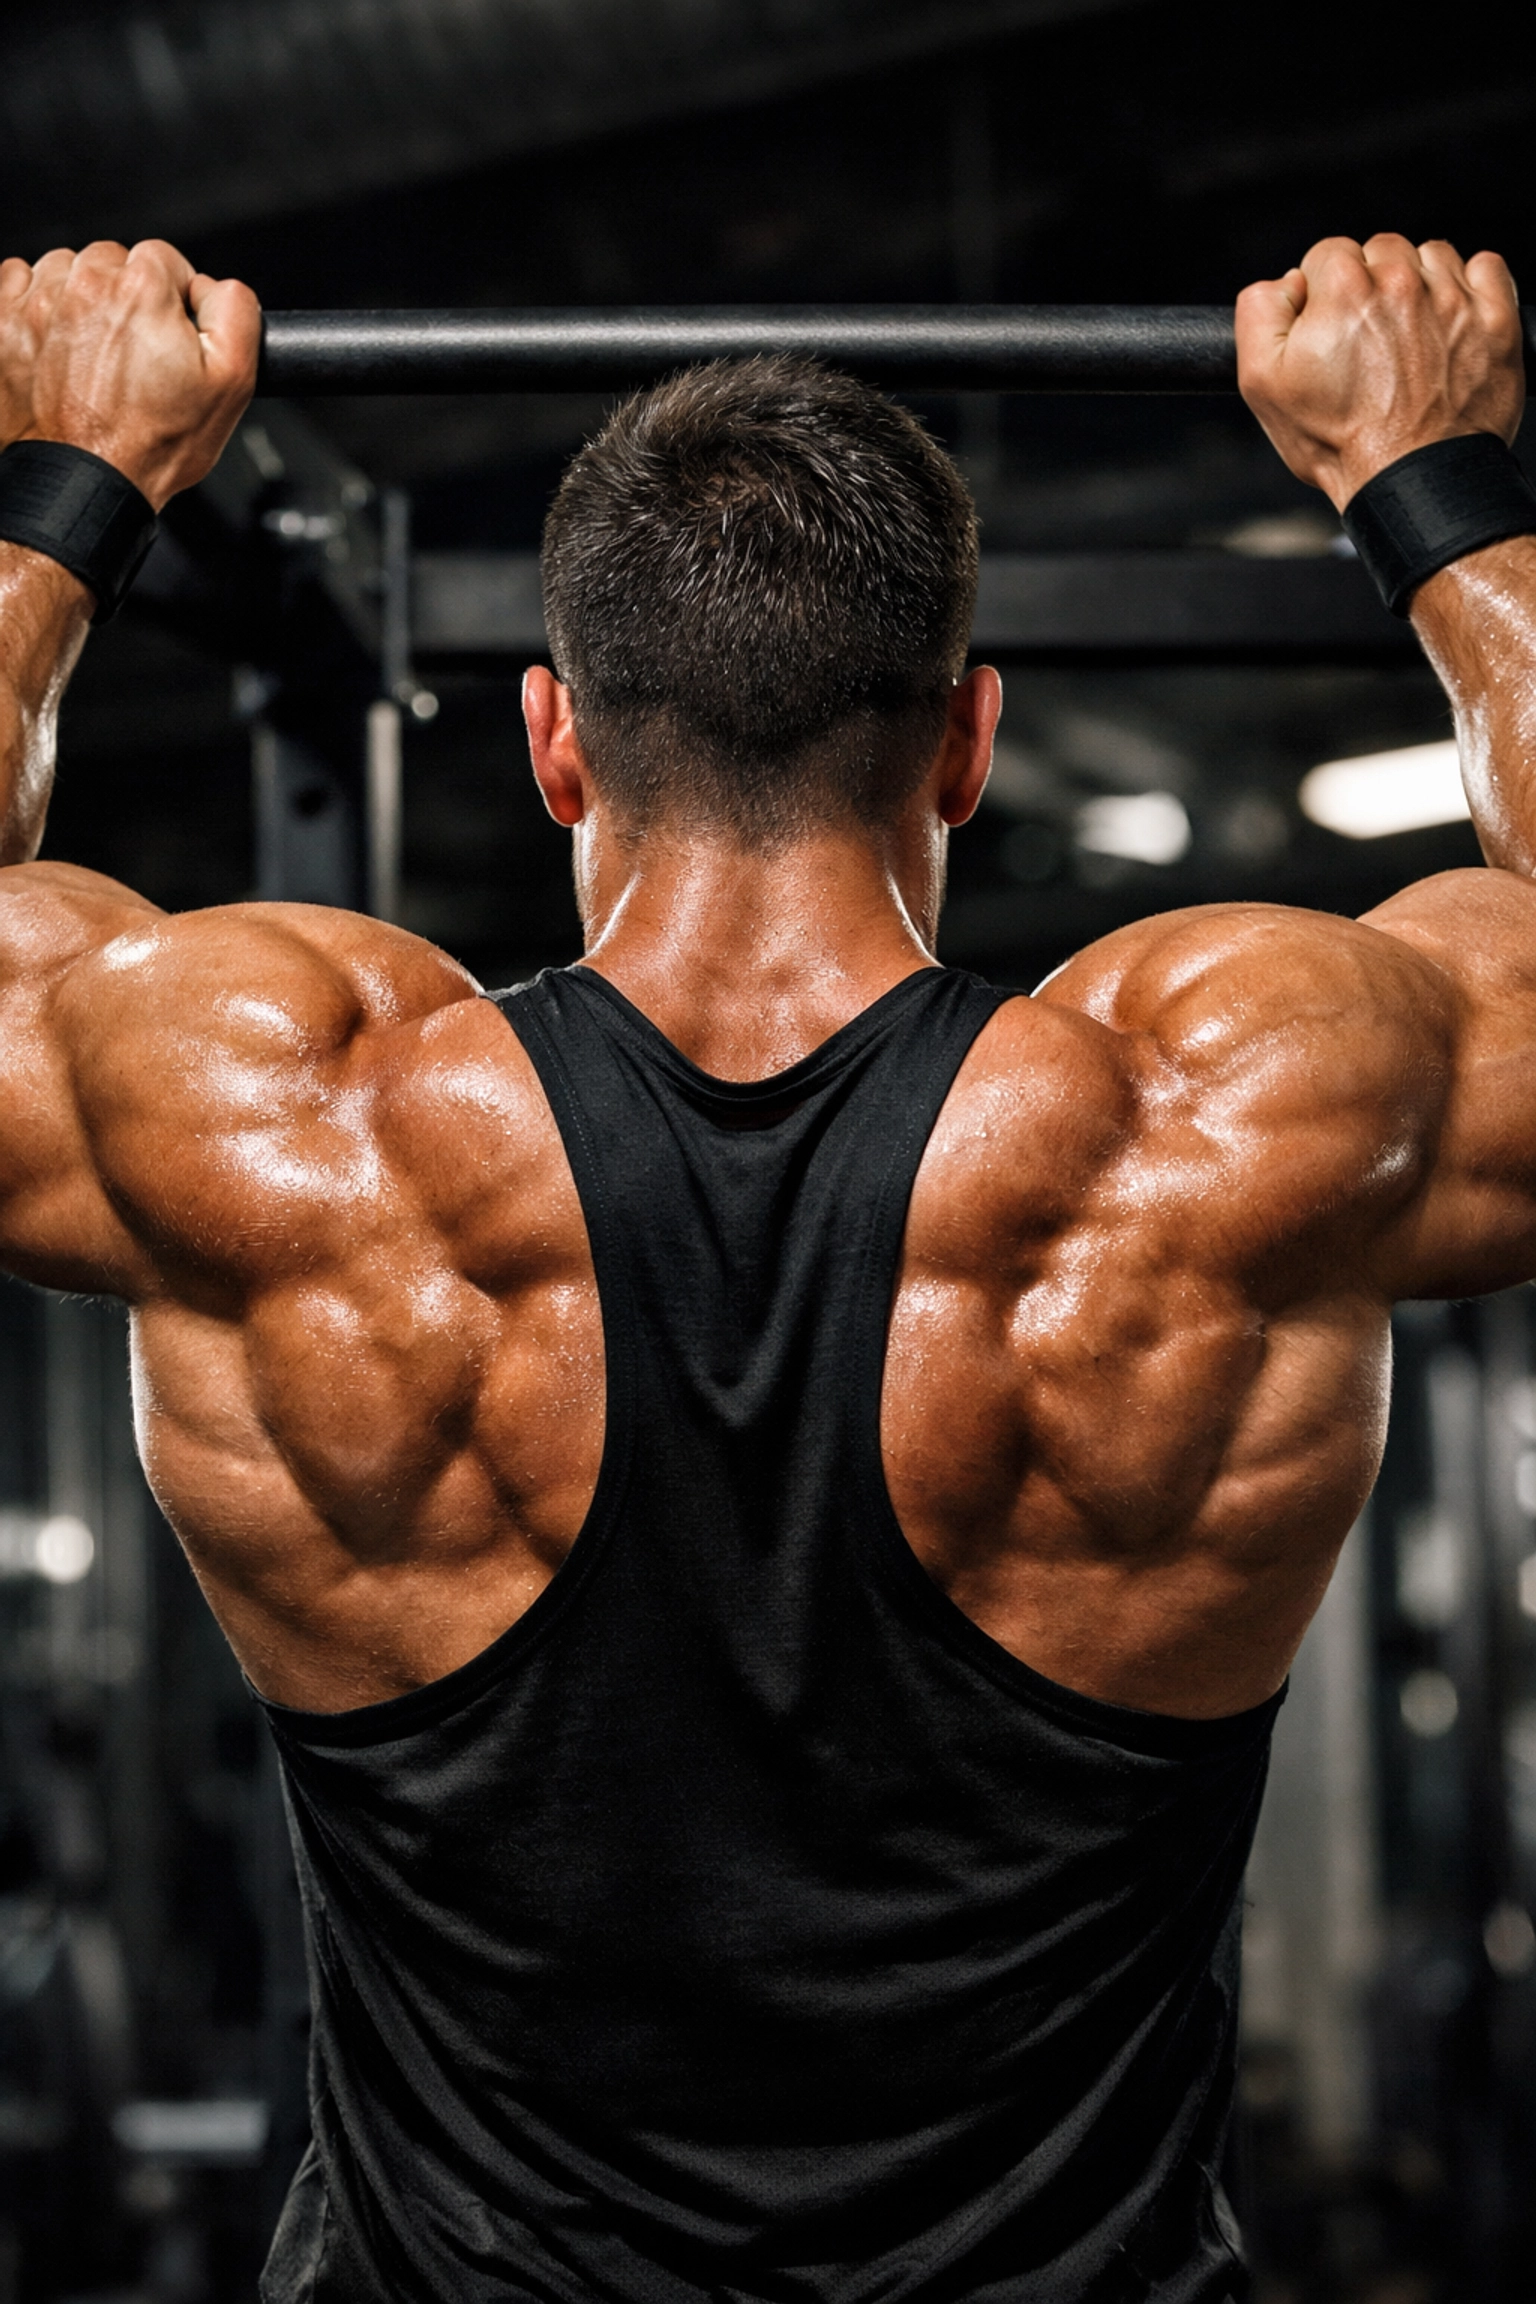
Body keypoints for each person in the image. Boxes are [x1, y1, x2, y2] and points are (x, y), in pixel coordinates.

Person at [0, 230, 1529, 2304]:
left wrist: (65, 488)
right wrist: (1426, 478)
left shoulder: (312, 1147)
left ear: (553, 740)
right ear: (974, 742)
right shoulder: (1203, 1150)